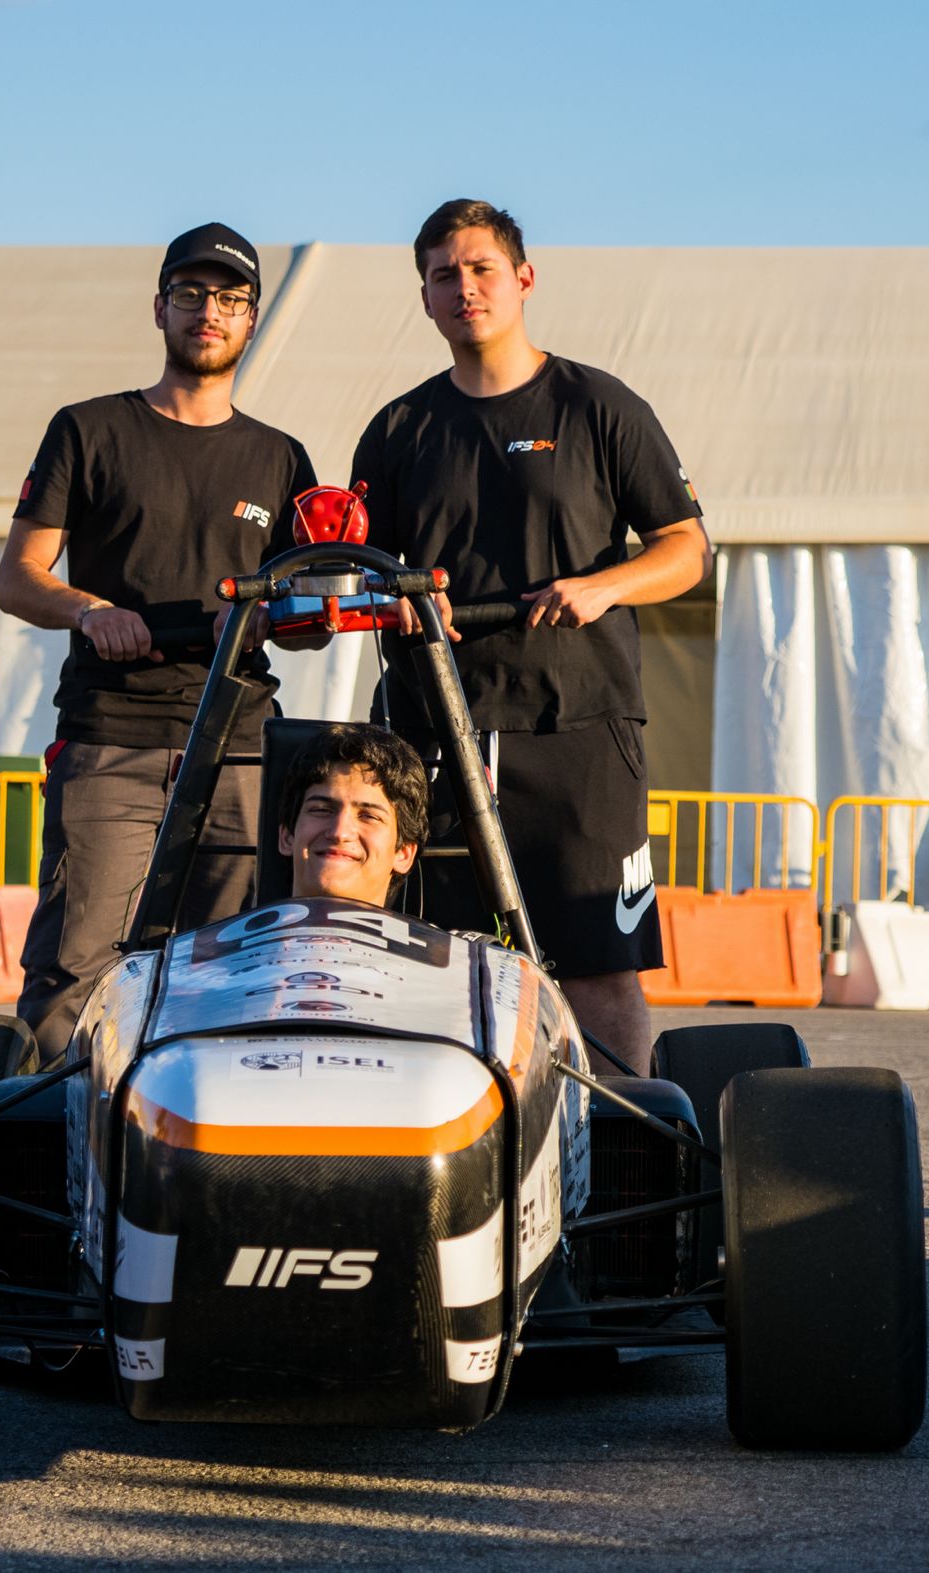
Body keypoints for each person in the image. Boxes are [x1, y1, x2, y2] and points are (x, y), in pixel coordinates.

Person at [350, 200, 713, 1076]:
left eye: (480, 269)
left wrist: (602, 587)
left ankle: (624, 1181)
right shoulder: (399, 429)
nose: (464, 287)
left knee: (597, 973)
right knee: (429, 969)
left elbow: (687, 550)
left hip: (580, 731)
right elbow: (355, 575)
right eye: (444, 275)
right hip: (435, 733)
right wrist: (385, 602)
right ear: (426, 299)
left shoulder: (599, 406)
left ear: (523, 279)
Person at [0, 222, 318, 1059]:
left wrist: (267, 613)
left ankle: (210, 1165)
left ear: (252, 321)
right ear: (160, 308)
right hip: (112, 740)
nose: (209, 311)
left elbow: (314, 622)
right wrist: (87, 609)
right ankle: (62, 1157)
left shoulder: (282, 459)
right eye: (191, 294)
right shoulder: (89, 430)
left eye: (231, 299)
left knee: (236, 972)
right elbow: (18, 575)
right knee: (76, 972)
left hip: (239, 747)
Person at [278, 724, 428, 907]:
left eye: (369, 816)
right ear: (286, 836)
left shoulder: (448, 938)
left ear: (403, 854)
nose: (339, 833)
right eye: (322, 810)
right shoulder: (232, 935)